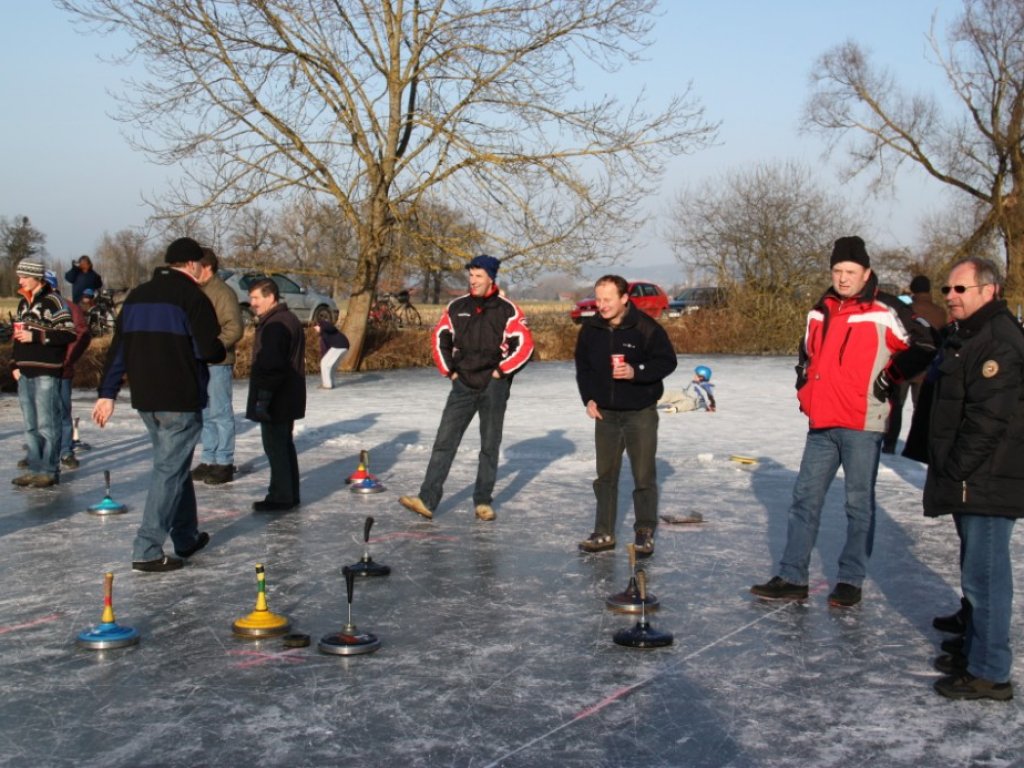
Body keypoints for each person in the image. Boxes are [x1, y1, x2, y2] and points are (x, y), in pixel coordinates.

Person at [750, 236, 935, 607]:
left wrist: (890, 376)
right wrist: (805, 388)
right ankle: (792, 576)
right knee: (804, 500)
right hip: (822, 423)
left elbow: (926, 345)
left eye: (850, 271)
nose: (843, 278)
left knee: (857, 504)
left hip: (862, 423)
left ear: (866, 272)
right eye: (837, 271)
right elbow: (805, 355)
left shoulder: (886, 308)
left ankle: (850, 579)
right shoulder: (820, 310)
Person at [920, 258, 1024, 701]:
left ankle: (989, 671)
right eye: (948, 289)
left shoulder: (998, 340)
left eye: (961, 289)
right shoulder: (969, 335)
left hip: (987, 479)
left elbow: (988, 419)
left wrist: (955, 468)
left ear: (989, 291)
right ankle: (974, 651)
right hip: (975, 478)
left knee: (985, 577)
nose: (950, 296)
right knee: (976, 575)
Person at [93, 237, 225, 572]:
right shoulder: (192, 298)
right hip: (179, 398)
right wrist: (220, 349)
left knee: (174, 467)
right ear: (193, 265)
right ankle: (147, 548)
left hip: (147, 400)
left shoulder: (136, 297)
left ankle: (186, 536)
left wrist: (107, 393)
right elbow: (207, 350)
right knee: (169, 471)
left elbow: (118, 351)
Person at [398, 254, 534, 521]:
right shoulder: (456, 306)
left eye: (478, 276)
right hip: (462, 385)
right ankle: (427, 499)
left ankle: (483, 501)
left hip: (494, 386)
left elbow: (525, 346)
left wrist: (501, 372)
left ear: (491, 278)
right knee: (444, 441)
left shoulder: (508, 310)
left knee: (489, 445)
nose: (473, 281)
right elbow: (440, 338)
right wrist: (449, 371)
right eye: (470, 276)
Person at [574, 274, 678, 557]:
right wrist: (589, 398)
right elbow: (583, 369)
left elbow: (667, 361)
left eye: (607, 299)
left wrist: (636, 372)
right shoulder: (591, 329)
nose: (601, 305)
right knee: (605, 476)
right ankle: (603, 531)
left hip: (639, 412)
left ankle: (644, 531)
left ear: (623, 299)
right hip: (605, 414)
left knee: (643, 474)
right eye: (598, 299)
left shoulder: (645, 327)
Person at [10, 260, 77, 488]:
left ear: (35, 278)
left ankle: (48, 469)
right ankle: (34, 467)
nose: (20, 281)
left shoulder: (54, 302)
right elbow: (16, 338)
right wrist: (14, 364)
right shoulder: (22, 303)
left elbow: (68, 333)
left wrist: (37, 337)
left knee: (47, 423)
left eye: (23, 277)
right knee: (30, 424)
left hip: (47, 370)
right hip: (25, 370)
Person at [245, 277, 306, 512]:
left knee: (276, 446)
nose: (252, 303)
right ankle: (289, 493)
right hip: (286, 395)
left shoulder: (275, 325)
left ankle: (281, 495)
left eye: (256, 298)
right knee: (284, 445)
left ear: (270, 297)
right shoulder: (286, 319)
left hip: (277, 398)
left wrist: (264, 399)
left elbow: (271, 365)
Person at [191, 248, 244, 486]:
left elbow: (234, 327)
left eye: (195, 265)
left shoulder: (222, 293)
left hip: (218, 362)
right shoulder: (196, 292)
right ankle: (209, 458)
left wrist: (212, 347)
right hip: (200, 363)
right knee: (205, 412)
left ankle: (224, 462)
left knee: (220, 412)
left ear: (207, 267)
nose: (191, 270)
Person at [883, 275, 947, 453]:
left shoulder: (907, 310)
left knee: (896, 406)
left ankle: (889, 444)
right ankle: (921, 444)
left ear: (913, 290)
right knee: (922, 408)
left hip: (904, 366)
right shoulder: (940, 312)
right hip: (927, 368)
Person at [44, 270, 91, 470]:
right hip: (38, 371)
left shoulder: (70, 308)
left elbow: (82, 335)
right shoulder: (35, 308)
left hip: (61, 370)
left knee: (62, 412)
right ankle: (42, 452)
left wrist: (67, 358)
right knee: (42, 414)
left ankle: (65, 451)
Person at [313, 318, 349, 389]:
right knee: (330, 365)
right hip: (343, 346)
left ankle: (327, 385)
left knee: (325, 364)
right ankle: (330, 383)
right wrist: (323, 357)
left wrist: (321, 325)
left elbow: (330, 327)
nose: (315, 330)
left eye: (315, 328)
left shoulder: (325, 326)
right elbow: (325, 348)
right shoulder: (323, 335)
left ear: (318, 326)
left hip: (339, 345)